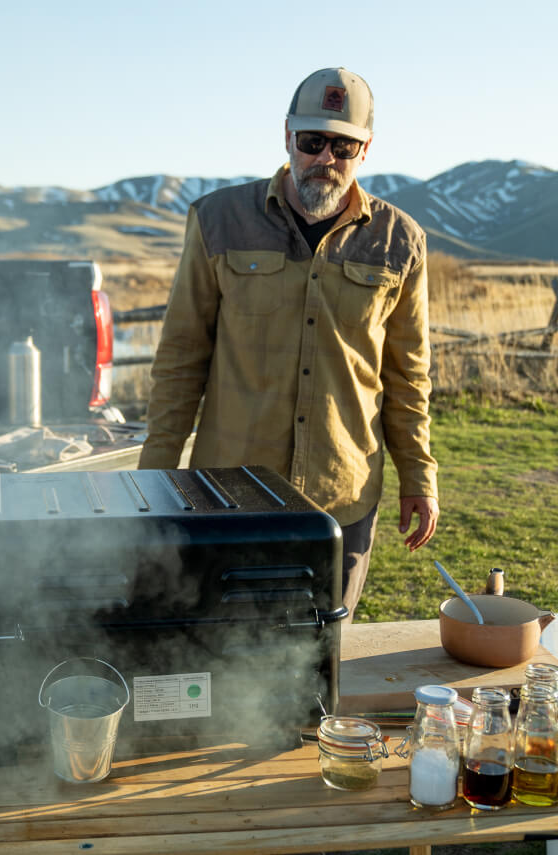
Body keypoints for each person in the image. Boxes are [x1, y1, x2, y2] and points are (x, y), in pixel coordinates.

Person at [138, 67, 439, 617]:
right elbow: (181, 360)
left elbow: (407, 376)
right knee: (222, 656)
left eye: (343, 144)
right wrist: (154, 479)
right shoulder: (217, 221)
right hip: (228, 496)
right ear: (287, 139)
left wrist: (418, 475)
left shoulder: (402, 242)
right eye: (312, 141)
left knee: (319, 663)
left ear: (365, 149)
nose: (326, 158)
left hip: (343, 499)